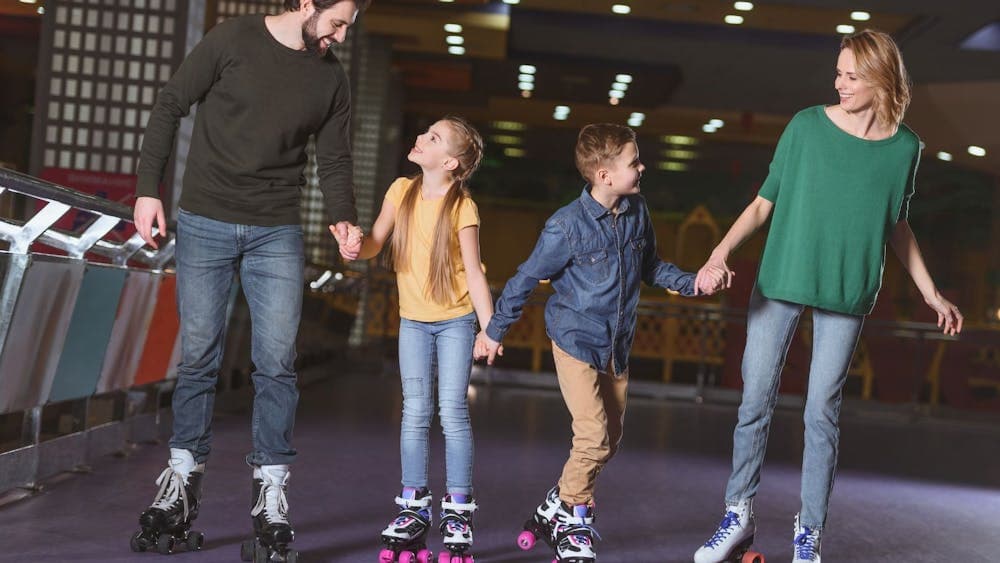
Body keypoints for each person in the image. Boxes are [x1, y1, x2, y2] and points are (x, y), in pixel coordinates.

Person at [691, 29, 964, 563]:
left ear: (881, 78)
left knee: (822, 414)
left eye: (851, 76)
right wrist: (718, 254)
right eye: (837, 72)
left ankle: (808, 532)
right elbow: (762, 205)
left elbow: (898, 225)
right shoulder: (805, 127)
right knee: (755, 402)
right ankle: (738, 514)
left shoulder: (905, 148)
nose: (838, 83)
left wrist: (932, 293)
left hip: (848, 289)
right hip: (781, 279)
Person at [128, 0, 367, 558]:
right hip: (204, 218)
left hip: (276, 228)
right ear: (306, 4)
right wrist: (147, 188)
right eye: (335, 23)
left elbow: (334, 160)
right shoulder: (231, 39)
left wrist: (343, 219)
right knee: (198, 357)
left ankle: (271, 491)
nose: (340, 36)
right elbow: (170, 104)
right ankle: (181, 482)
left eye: (348, 28)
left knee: (277, 363)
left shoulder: (332, 78)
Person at [477, 123, 725, 563]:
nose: (642, 166)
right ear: (604, 175)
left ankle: (556, 502)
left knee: (609, 440)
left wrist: (693, 284)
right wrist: (495, 330)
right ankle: (574, 520)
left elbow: (652, 266)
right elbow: (525, 278)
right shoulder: (565, 226)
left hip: (617, 343)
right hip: (574, 338)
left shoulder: (637, 210)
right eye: (634, 162)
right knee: (591, 435)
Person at [350, 117, 491, 563]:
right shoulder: (400, 190)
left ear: (449, 161)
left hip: (456, 320)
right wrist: (354, 244)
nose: (420, 139)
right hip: (413, 320)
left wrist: (489, 328)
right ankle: (412, 504)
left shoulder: (461, 207)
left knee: (451, 410)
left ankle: (458, 511)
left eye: (433, 138)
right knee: (414, 412)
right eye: (424, 133)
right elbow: (375, 242)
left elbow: (473, 270)